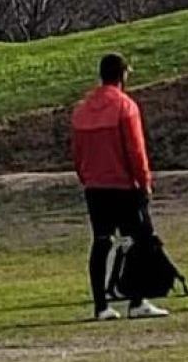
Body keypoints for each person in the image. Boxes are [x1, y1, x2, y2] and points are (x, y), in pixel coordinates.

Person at [71, 52, 169, 321]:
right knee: (139, 240)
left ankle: (101, 306)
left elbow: (77, 155)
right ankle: (137, 302)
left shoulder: (82, 111)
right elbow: (136, 150)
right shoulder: (125, 107)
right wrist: (144, 181)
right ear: (122, 75)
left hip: (94, 187)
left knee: (101, 242)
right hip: (124, 185)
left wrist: (86, 178)